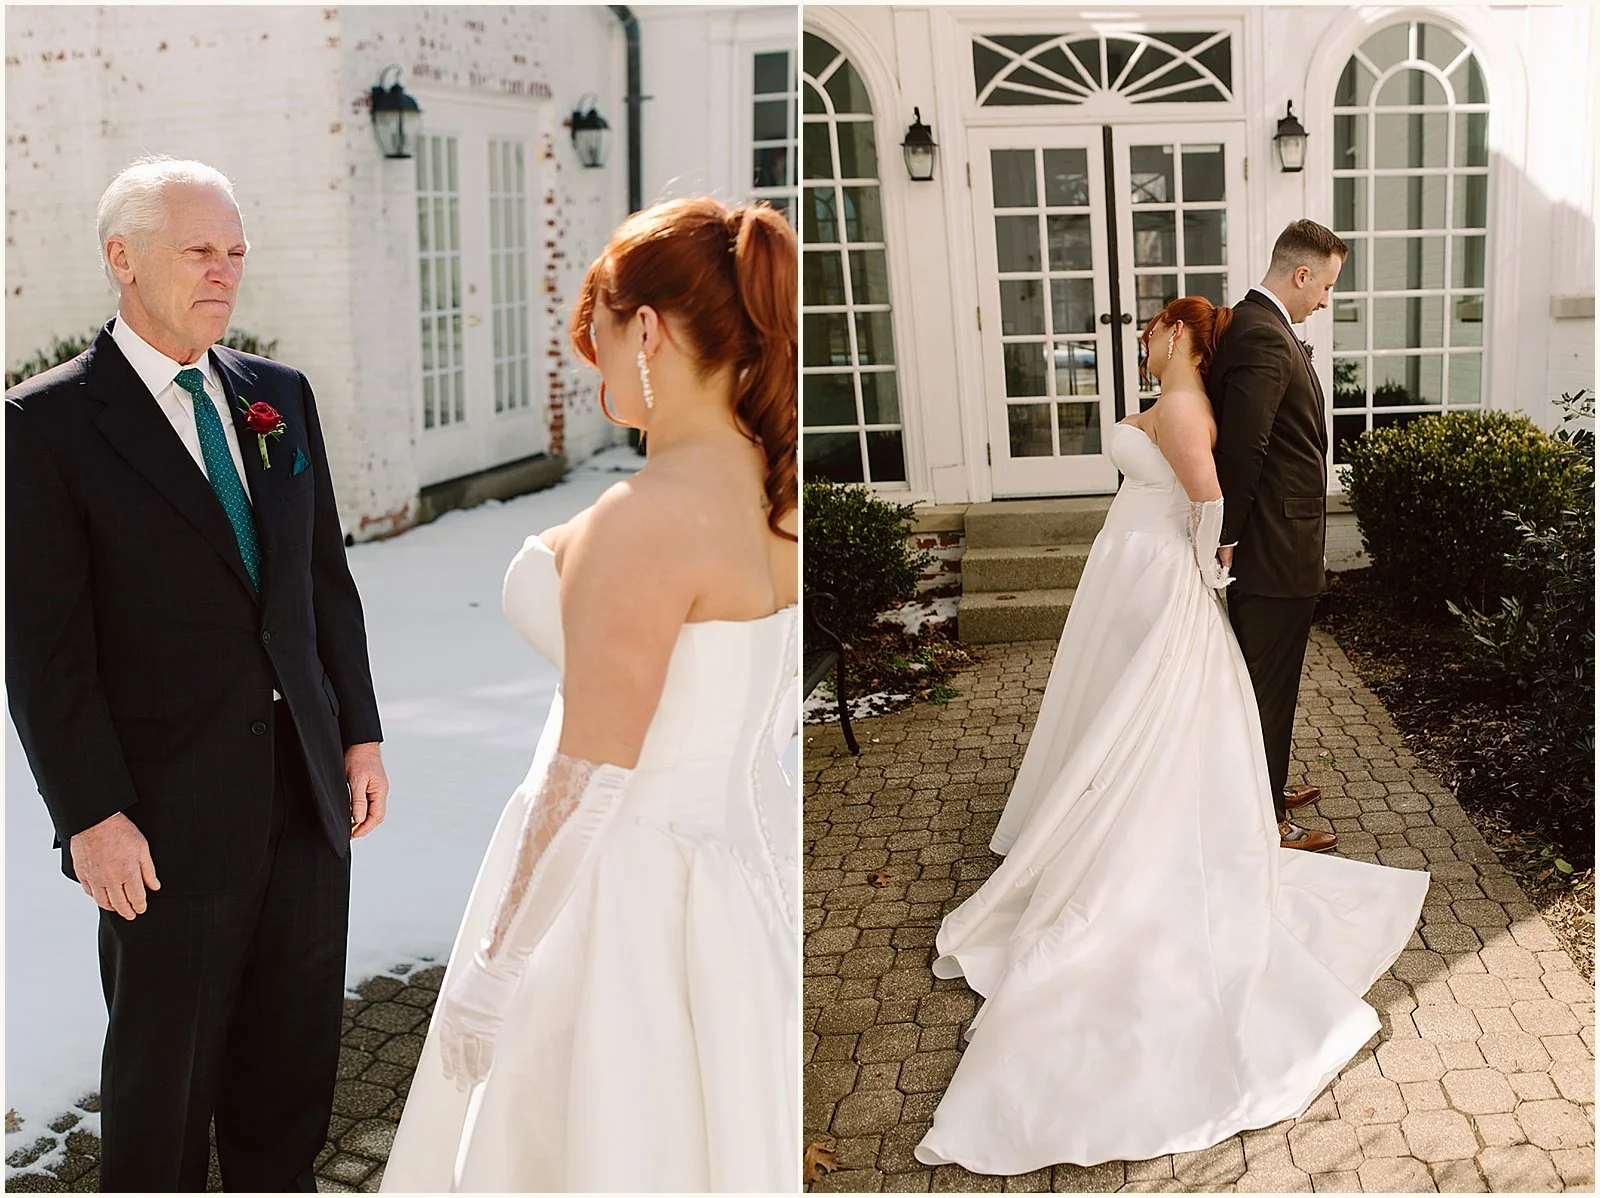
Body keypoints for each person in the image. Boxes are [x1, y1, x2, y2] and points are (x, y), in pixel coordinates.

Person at [911, 294, 1428, 1174]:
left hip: (1158, 577)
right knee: (1110, 713)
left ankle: (1127, 841)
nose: (1141, 339)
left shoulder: (1188, 408)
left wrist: (1204, 580)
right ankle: (1087, 808)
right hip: (1128, 567)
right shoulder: (1165, 403)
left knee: (1149, 720)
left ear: (1180, 333)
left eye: (1151, 328)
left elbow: (1211, 504)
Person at [380, 196, 800, 1192]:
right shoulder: (775, 492)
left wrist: (493, 966)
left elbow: (591, 771)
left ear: (647, 329)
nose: (592, 359)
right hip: (729, 886)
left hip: (611, 903)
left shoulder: (647, 516)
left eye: (602, 332)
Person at [6, 156, 387, 1191]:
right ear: (121, 259)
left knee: (291, 1061)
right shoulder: (45, 425)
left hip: (304, 795)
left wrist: (357, 731)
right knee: (163, 1083)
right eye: (199, 251)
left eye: (234, 253)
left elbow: (321, 584)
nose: (224, 271)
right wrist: (91, 814)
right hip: (159, 822)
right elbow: (43, 650)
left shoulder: (278, 396)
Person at [1210, 219, 1350, 852]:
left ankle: (1265, 786)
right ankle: (1265, 821)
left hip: (1278, 539)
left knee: (1268, 682)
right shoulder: (1265, 337)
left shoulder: (1262, 327)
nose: (1325, 299)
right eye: (1324, 286)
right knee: (1266, 685)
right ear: (1301, 275)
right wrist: (1229, 534)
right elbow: (1245, 446)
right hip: (1271, 545)